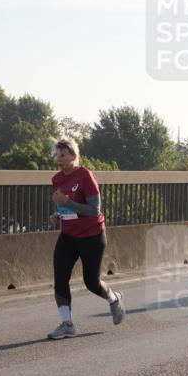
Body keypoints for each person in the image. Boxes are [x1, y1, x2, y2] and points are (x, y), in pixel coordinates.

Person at [46, 138, 125, 339]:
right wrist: (58, 215)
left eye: (63, 155)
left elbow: (93, 210)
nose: (59, 159)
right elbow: (64, 206)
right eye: (57, 155)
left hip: (92, 236)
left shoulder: (85, 176)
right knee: (60, 278)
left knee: (91, 282)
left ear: (73, 155)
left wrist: (68, 203)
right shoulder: (57, 179)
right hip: (68, 235)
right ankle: (67, 324)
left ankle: (114, 299)